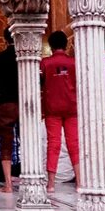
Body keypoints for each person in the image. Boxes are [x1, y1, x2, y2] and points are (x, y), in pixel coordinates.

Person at [40, 30, 79, 191]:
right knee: (74, 144)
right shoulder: (74, 63)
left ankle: (50, 184)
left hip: (52, 108)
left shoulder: (45, 63)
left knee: (53, 144)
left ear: (50, 46)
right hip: (72, 107)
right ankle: (80, 182)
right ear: (67, 44)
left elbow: (39, 83)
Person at [0, 27, 19, 193]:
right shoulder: (26, 55)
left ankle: (8, 184)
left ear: (5, 39)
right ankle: (32, 179)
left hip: (6, 104)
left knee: (6, 144)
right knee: (28, 141)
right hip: (25, 104)